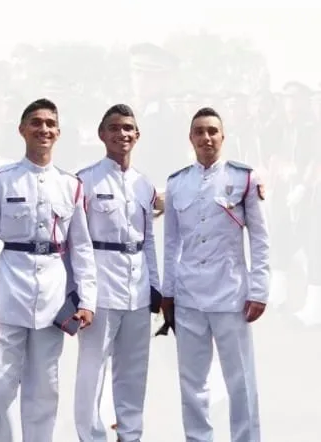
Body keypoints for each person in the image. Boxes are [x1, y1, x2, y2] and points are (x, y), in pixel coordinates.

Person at [0, 98, 98, 442]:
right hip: (8, 294)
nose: (44, 129)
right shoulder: (2, 181)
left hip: (53, 299)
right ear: (22, 129)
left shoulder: (70, 185)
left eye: (51, 124)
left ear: (58, 132)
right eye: (36, 122)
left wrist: (87, 299)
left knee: (45, 388)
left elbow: (82, 247)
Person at [161, 107, 270, 442]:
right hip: (189, 293)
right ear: (190, 138)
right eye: (199, 131)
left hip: (231, 293)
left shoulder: (243, 178)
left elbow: (260, 238)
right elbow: (170, 243)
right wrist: (168, 293)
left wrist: (259, 290)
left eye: (212, 131)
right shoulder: (177, 183)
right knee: (192, 382)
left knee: (240, 379)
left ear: (223, 136)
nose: (206, 138)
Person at [72, 104, 161, 442]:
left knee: (134, 372)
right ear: (102, 134)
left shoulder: (143, 184)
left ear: (137, 135)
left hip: (136, 289)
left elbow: (148, 239)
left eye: (128, 128)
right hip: (101, 289)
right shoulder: (86, 180)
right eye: (114, 128)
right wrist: (81, 292)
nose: (122, 134)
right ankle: (91, 436)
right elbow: (77, 240)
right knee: (92, 371)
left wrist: (155, 284)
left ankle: (131, 435)